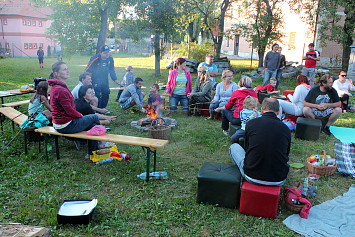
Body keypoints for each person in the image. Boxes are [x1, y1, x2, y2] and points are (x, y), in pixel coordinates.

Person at [229, 98, 291, 186]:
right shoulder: (286, 129)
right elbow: (286, 154)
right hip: (278, 179)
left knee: (234, 147)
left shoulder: (251, 124)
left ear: (262, 110)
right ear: (278, 112)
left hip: (251, 175)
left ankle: (241, 178)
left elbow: (247, 148)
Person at [48, 61, 102, 158]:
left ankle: (92, 152)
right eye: (64, 69)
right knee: (94, 117)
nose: (67, 71)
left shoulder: (57, 86)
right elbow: (69, 110)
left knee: (92, 125)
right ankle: (100, 144)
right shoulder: (60, 89)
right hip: (65, 125)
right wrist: (80, 115)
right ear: (56, 73)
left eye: (67, 68)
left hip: (61, 123)